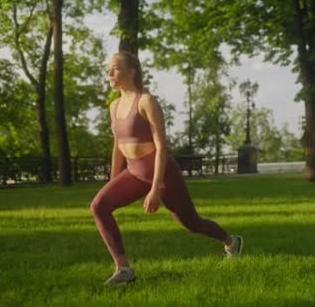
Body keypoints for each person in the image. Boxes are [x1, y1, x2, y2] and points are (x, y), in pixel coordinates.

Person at [90, 51, 243, 286]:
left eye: (116, 68)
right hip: (133, 172)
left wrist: (155, 189)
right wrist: (113, 179)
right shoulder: (114, 106)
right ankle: (124, 269)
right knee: (99, 206)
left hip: (162, 174)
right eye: (108, 69)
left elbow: (161, 147)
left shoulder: (146, 101)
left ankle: (231, 241)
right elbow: (118, 145)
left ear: (132, 71)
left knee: (191, 223)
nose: (110, 73)